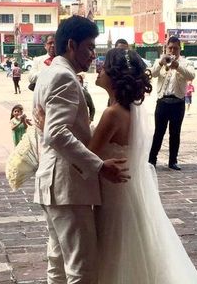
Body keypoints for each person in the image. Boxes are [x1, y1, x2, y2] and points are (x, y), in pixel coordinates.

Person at [90, 48, 197, 283]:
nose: (99, 69)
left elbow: (88, 155)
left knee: (114, 251)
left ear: (115, 75)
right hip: (127, 191)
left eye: (104, 66)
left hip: (113, 194)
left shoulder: (112, 114)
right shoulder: (128, 110)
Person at [32, 15, 129, 284]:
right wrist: (99, 166)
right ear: (71, 45)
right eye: (89, 47)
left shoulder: (49, 72)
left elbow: (50, 129)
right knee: (81, 269)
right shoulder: (64, 76)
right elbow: (56, 133)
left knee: (58, 263)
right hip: (68, 186)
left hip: (53, 185)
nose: (92, 55)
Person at [148, 36, 196, 170]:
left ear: (180, 48)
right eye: (170, 48)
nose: (173, 51)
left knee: (175, 133)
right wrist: (160, 63)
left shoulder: (185, 62)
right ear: (166, 48)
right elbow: (151, 74)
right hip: (162, 101)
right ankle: (152, 160)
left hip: (178, 102)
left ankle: (173, 161)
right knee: (159, 132)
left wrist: (178, 66)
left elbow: (191, 76)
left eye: (175, 48)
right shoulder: (160, 60)